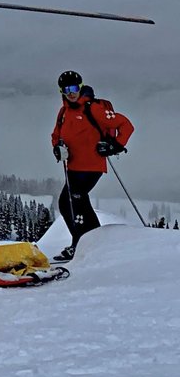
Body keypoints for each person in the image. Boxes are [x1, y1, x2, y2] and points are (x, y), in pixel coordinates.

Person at [50, 70, 134, 261]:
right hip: (72, 167)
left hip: (91, 166)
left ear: (80, 87)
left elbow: (126, 125)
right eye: (65, 89)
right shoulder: (63, 112)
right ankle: (90, 243)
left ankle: (83, 246)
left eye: (73, 88)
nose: (70, 93)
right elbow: (56, 135)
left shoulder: (93, 108)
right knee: (67, 203)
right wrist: (57, 148)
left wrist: (115, 145)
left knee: (76, 200)